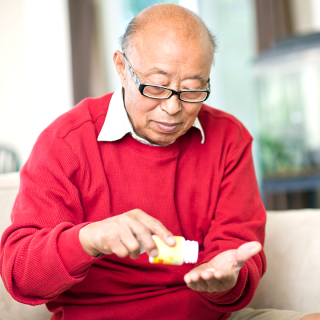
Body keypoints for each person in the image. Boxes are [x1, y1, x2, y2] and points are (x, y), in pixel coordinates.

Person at [0, 4, 319, 320]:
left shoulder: (228, 139)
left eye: (192, 90)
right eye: (155, 86)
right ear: (122, 68)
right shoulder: (66, 142)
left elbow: (237, 250)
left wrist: (227, 279)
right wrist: (89, 239)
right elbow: (20, 274)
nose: (172, 108)